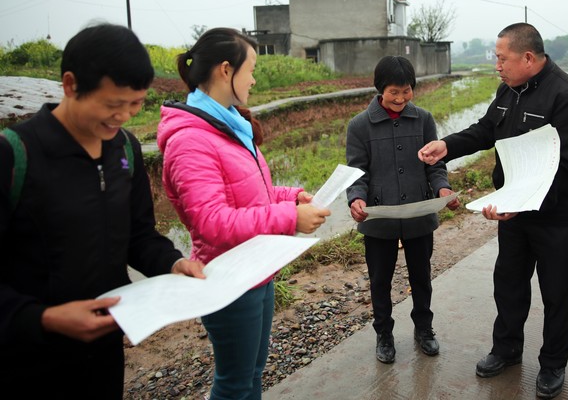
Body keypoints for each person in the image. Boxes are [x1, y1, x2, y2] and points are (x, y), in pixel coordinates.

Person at [0, 23, 206, 398]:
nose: (125, 116)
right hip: (23, 358)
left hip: (103, 350)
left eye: (136, 103)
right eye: (113, 104)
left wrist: (172, 263)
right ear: (70, 84)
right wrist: (43, 318)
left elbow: (139, 235)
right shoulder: (15, 155)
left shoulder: (123, 149)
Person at [418, 23, 568, 398]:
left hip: (554, 214)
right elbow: (485, 130)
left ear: (528, 58)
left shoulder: (567, 96)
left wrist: (524, 201)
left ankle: (553, 363)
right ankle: (507, 349)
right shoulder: (507, 91)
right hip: (513, 209)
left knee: (557, 289)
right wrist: (445, 146)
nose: (497, 65)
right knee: (509, 281)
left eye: (502, 58)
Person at [158, 27, 330, 400]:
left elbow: (252, 192)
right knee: (234, 383)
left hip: (256, 270)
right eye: (250, 69)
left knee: (252, 374)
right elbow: (212, 222)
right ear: (225, 70)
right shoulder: (191, 140)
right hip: (229, 277)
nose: (253, 79)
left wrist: (292, 195)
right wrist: (288, 217)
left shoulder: (228, 125)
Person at [346, 55, 459, 364]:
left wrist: (443, 188)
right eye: (393, 92)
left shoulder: (423, 119)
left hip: (418, 213)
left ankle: (424, 329)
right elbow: (357, 173)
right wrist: (356, 198)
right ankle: (384, 334)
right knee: (379, 281)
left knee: (422, 276)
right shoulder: (359, 126)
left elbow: (435, 167)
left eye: (406, 91)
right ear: (379, 89)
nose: (400, 98)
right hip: (379, 218)